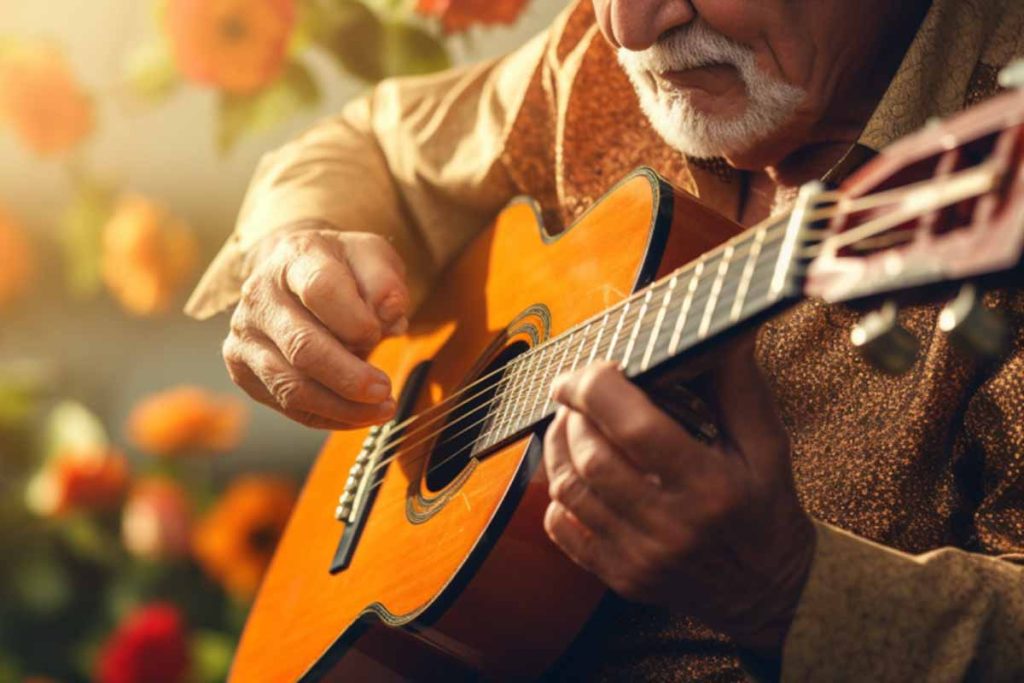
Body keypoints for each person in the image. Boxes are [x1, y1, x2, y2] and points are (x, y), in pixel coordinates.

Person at [186, 0, 1024, 679]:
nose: (625, 27)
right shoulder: (598, 55)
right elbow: (371, 142)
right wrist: (293, 245)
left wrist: (790, 592)